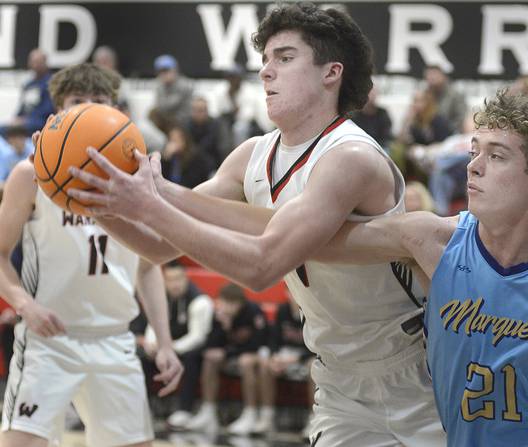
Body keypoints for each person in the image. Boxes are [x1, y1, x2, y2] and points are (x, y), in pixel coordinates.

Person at [77, 88, 528, 444]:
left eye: (495, 157)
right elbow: (289, 235)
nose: (472, 166)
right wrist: (154, 200)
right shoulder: (429, 237)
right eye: (473, 151)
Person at [67, 3, 445, 446]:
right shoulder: (250, 156)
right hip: (339, 381)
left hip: (417, 375)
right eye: (265, 60)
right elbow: (156, 246)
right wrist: (93, 198)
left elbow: (261, 265)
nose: (266, 72)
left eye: (284, 58)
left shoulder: (351, 157)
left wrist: (150, 203)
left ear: (331, 73)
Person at [0, 62, 183, 447]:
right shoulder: (30, 173)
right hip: (48, 341)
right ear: (55, 115)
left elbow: (148, 266)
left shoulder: (137, 179)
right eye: (77, 101)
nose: (87, 108)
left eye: (98, 101)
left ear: (117, 113)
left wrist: (163, 341)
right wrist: (22, 304)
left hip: (115, 339)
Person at [139, 261, 215, 429]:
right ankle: (143, 407)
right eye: (170, 280)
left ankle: (184, 410)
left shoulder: (200, 301)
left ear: (186, 279)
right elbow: (152, 324)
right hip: (168, 347)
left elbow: (197, 337)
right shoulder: (161, 297)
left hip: (190, 349)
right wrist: (152, 345)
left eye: (178, 279)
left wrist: (169, 348)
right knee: (142, 356)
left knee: (191, 358)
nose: (174, 284)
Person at [185, 283, 268, 435]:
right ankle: (208, 411)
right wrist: (225, 327)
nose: (227, 307)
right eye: (224, 302)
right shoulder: (219, 314)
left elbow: (259, 342)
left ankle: (250, 413)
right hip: (231, 354)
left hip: (255, 354)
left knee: (246, 361)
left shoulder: (253, 312)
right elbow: (211, 344)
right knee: (209, 360)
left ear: (240, 303)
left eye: (232, 303)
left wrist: (227, 353)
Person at [256, 293, 314, 435]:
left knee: (314, 367)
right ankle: (266, 416)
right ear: (288, 294)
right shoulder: (283, 310)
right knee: (265, 365)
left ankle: (313, 419)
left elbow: (317, 348)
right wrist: (274, 356)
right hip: (285, 355)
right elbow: (274, 338)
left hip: (306, 356)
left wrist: (296, 359)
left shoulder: (313, 311)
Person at [6, 49, 54, 136]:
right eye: (33, 61)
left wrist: (25, 120)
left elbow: (48, 110)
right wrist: (16, 118)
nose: (35, 64)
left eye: (38, 62)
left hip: (41, 122)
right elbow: (22, 108)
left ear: (45, 62)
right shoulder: (28, 85)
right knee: (4, 128)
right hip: (25, 122)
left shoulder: (50, 83)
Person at [152, 54, 194, 125]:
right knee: (152, 113)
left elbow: (169, 106)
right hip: (167, 118)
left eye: (166, 71)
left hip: (182, 120)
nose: (164, 74)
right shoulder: (160, 85)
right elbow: (159, 106)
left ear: (175, 70)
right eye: (161, 72)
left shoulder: (184, 84)